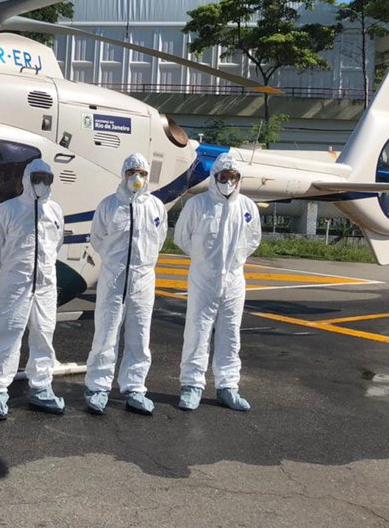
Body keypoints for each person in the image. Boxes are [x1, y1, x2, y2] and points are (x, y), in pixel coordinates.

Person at [174, 152, 261, 412]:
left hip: (234, 280)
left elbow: (253, 239)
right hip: (204, 279)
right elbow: (181, 237)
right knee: (197, 332)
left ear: (239, 179)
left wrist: (235, 261)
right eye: (224, 176)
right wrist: (204, 260)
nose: (228, 181)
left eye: (233, 177)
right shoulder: (198, 205)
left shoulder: (246, 207)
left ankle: (227, 387)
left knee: (231, 334)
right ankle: (191, 385)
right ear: (215, 177)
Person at [0, 159, 65, 420]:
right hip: (15, 284)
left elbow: (56, 245)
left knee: (43, 334)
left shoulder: (55, 211)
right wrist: (13, 270)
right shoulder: (9, 209)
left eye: (47, 179)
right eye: (37, 177)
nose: (42, 183)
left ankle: (41, 387)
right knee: (8, 333)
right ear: (27, 178)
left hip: (46, 285)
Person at [84, 153, 167, 416]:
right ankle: (98, 387)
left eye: (141, 172)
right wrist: (114, 262)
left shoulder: (156, 207)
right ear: (124, 174)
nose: (137, 177)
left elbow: (159, 240)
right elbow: (97, 238)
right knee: (106, 332)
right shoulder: (109, 206)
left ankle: (134, 387)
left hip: (143, 278)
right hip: (114, 277)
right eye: (132, 172)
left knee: (140, 335)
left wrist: (142, 265)